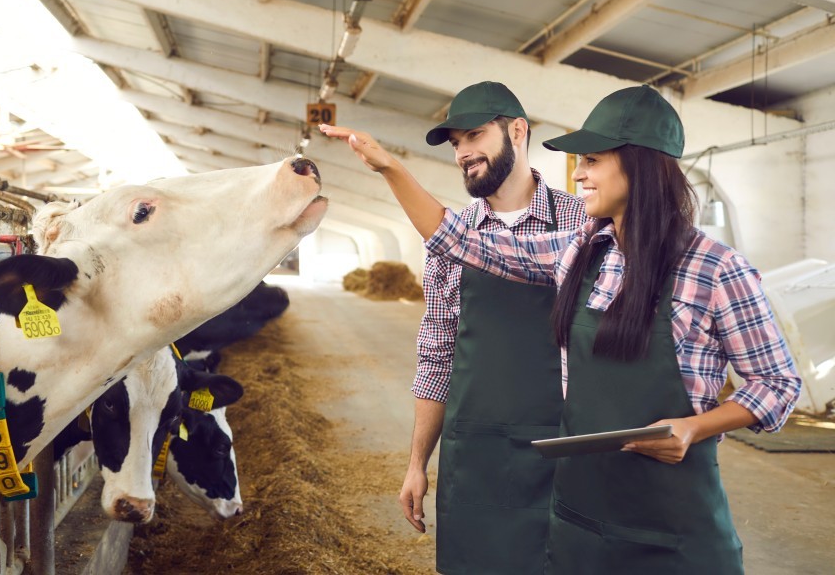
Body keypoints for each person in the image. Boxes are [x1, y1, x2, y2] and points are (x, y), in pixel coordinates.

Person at [322, 85, 801, 574]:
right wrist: (390, 168)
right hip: (582, 512)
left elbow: (778, 384)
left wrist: (694, 428)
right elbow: (460, 242)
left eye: (591, 160)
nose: (578, 174)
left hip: (672, 520)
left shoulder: (716, 269)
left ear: (640, 165)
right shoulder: (581, 250)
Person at [328, 81, 588, 575]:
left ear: (517, 131)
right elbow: (437, 356)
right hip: (475, 454)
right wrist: (416, 464)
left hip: (560, 447)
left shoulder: (581, 222)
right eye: (455, 144)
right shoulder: (447, 238)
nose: (463, 153)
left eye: (474, 136)